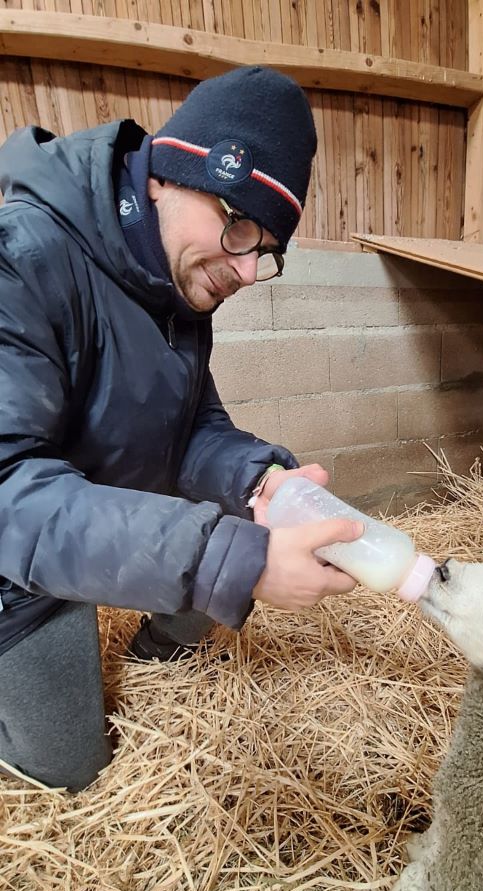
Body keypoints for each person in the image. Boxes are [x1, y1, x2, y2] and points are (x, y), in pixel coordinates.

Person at [0, 65, 361, 792]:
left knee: (250, 511)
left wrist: (261, 478)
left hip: (100, 526)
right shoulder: (25, 257)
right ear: (166, 174)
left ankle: (157, 655)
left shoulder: (177, 284)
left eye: (266, 251)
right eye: (237, 228)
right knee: (68, 775)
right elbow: (10, 492)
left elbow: (194, 427)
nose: (247, 270)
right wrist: (237, 562)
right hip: (18, 562)